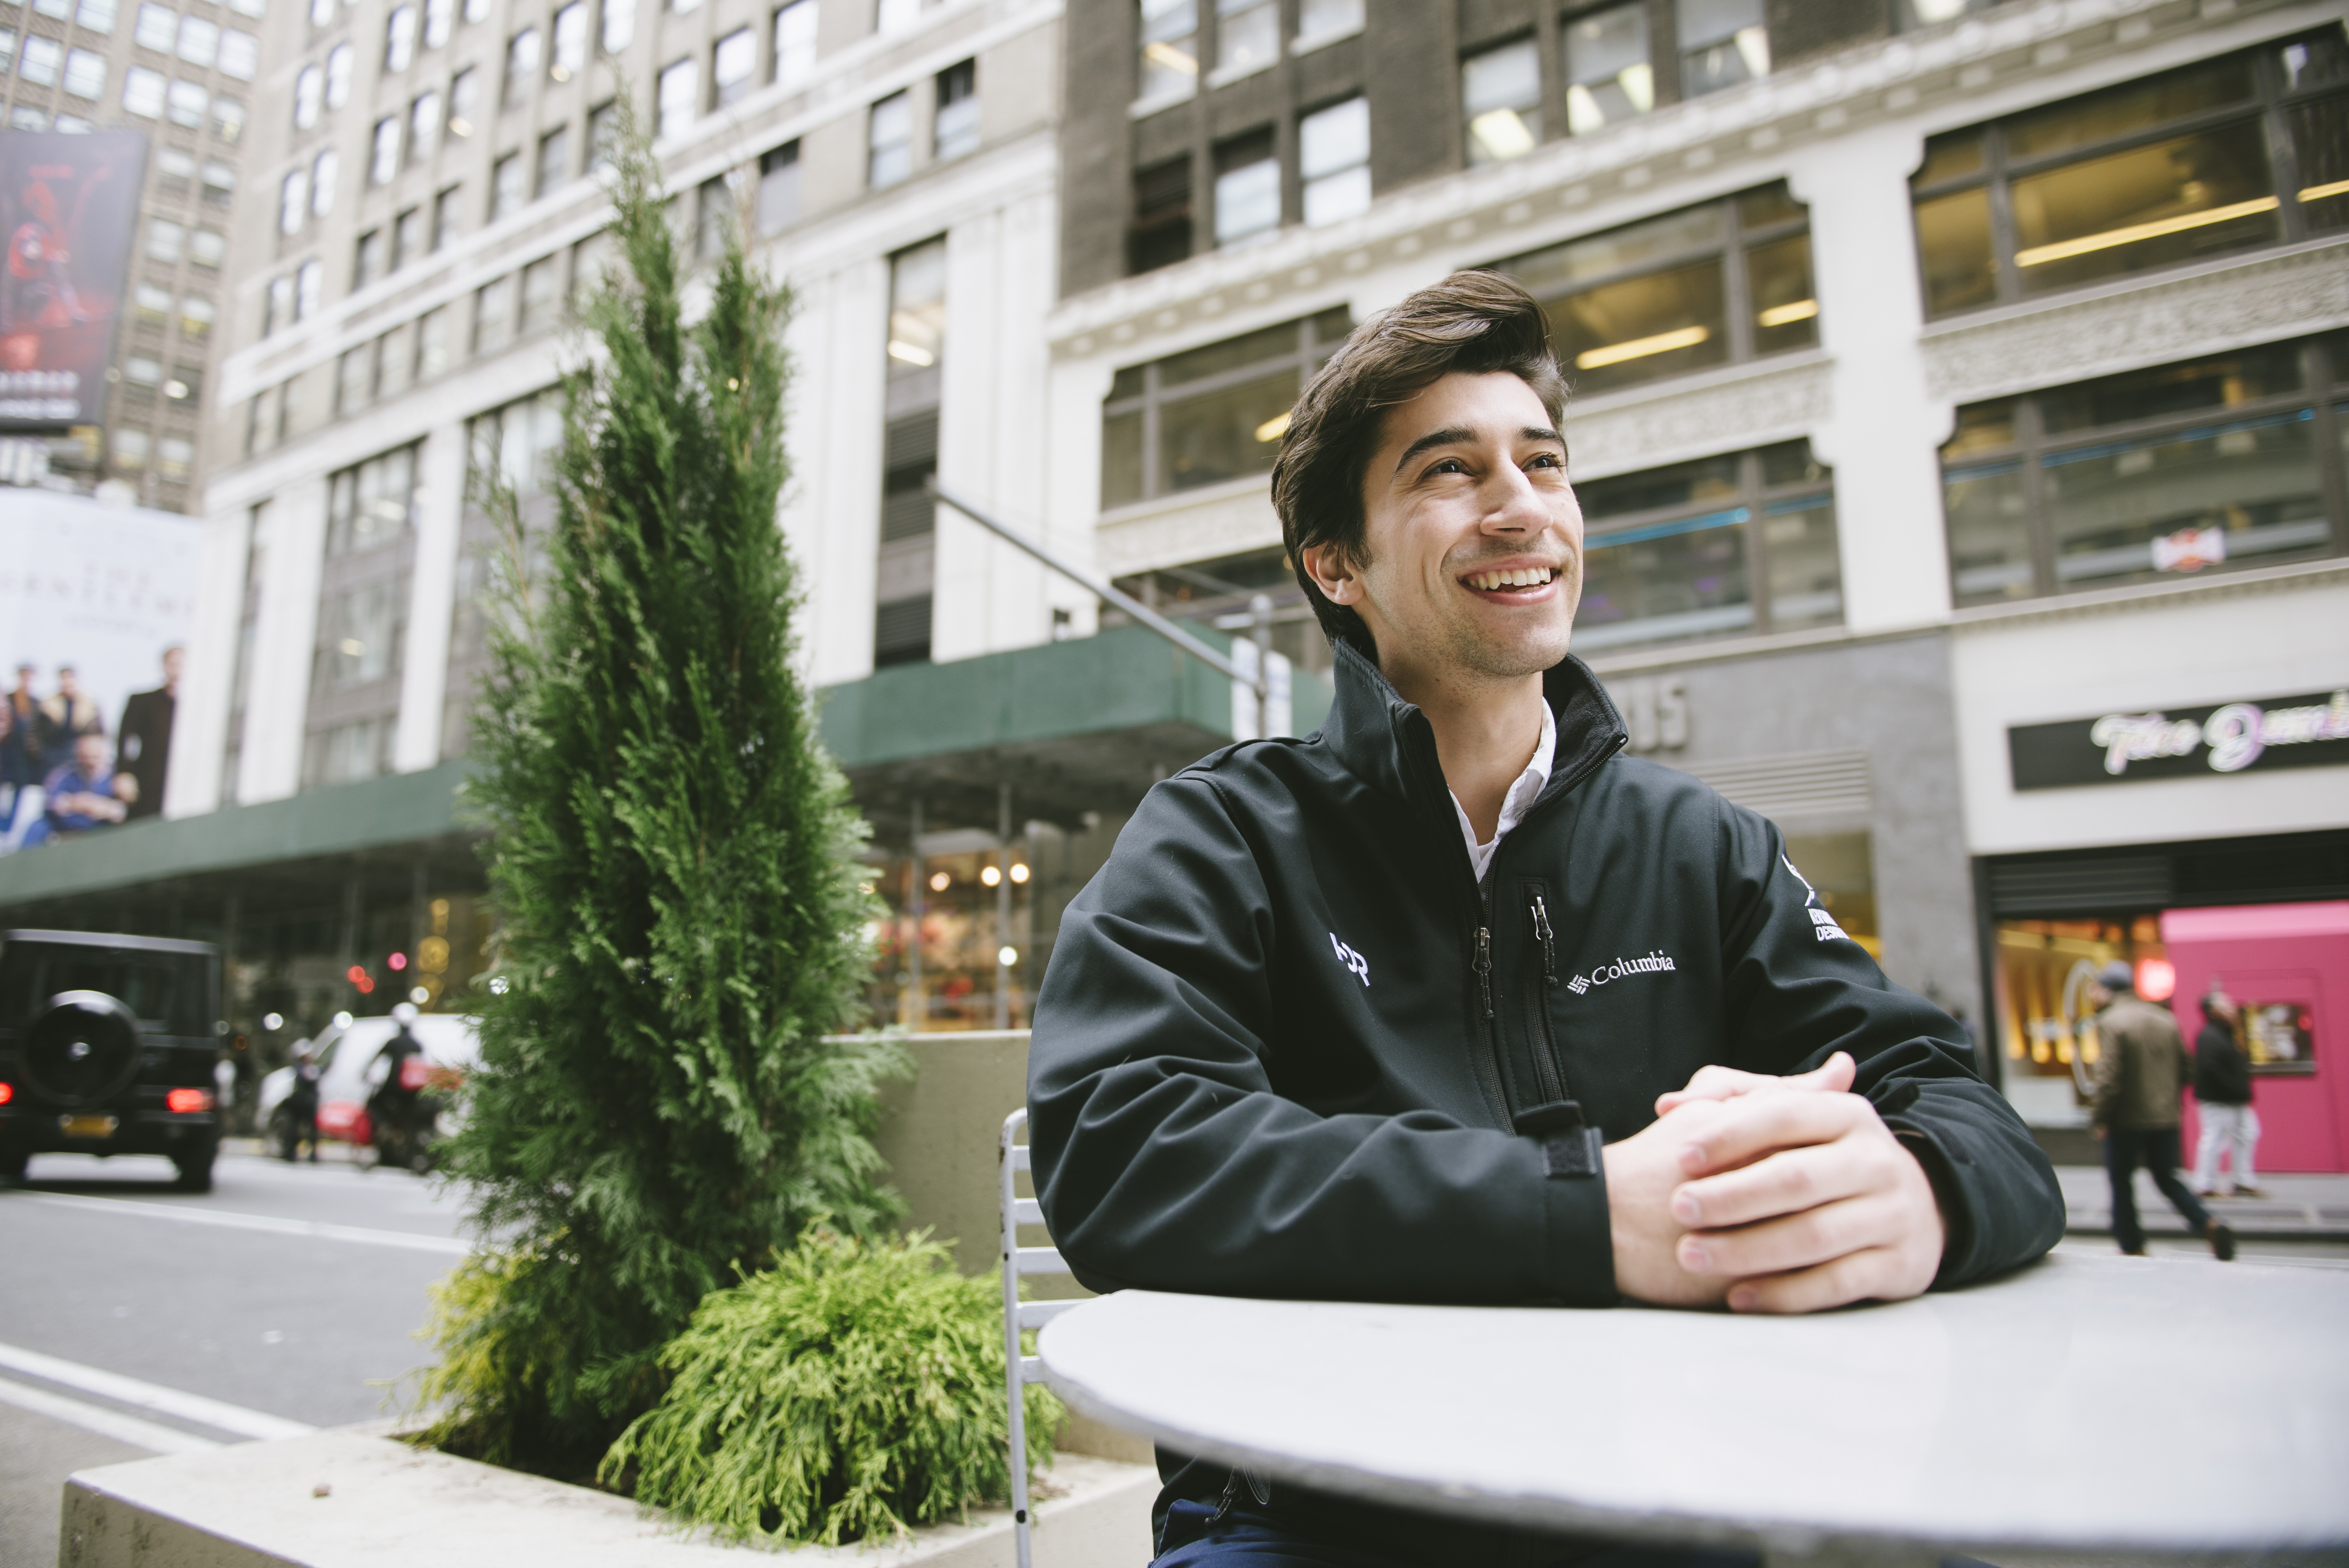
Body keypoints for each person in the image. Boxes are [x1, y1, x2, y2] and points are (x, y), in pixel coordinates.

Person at [1027, 272, 2067, 1568]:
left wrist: (1923, 1193)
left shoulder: (1704, 847)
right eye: (1449, 470)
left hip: (1664, 1502)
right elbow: (1127, 1149)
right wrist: (1587, 1209)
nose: (1520, 503)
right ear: (1334, 562)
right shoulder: (1221, 833)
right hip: (1306, 1517)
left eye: (1543, 462)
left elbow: (1960, 1104)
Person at [2088, 960, 2235, 1262]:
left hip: (2126, 1119)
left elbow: (2109, 1078)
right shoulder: (2165, 1018)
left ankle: (2132, 1244)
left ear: (2108, 991)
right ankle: (2208, 1223)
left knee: (2121, 1181)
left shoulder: (2111, 1022)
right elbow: (2187, 1068)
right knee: (2168, 1178)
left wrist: (2099, 1117)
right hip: (2167, 1117)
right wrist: (2169, 1102)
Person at [2190, 989, 2262, 1199]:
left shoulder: (2227, 1033)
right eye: (2225, 1005)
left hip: (2234, 1098)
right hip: (2219, 1099)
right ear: (2213, 1011)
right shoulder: (2210, 1036)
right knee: (2214, 1139)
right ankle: (2205, 1184)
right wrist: (2233, 1088)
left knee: (2248, 1133)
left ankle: (2243, 1180)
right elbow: (2210, 1068)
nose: (2231, 1007)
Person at [20, 731, 129, 845]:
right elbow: (52, 804)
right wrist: (84, 804)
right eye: (86, 757)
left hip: (101, 831)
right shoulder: (66, 775)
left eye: (95, 757)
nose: (91, 762)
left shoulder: (118, 778)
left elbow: (121, 812)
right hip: (67, 828)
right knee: (38, 826)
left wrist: (102, 807)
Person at [116, 645, 180, 821]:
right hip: (148, 782)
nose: (177, 670)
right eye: (173, 664)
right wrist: (124, 774)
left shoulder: (196, 708)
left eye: (182, 665)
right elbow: (125, 739)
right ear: (164, 666)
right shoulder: (143, 701)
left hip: (181, 783)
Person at [367, 1003, 426, 1168]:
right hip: (412, 1091)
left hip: (393, 1087)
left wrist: (366, 1073)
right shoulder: (417, 1045)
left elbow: (374, 1060)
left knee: (373, 1103)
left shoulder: (393, 1043)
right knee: (409, 1117)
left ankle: (383, 1127)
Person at [37, 664, 103, 776]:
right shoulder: (47, 705)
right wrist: (42, 754)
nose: (67, 682)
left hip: (80, 759)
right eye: (64, 678)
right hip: (52, 758)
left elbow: (99, 733)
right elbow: (36, 733)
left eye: (70, 678)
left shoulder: (90, 706)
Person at [280, 1043, 321, 1162]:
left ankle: (312, 1154)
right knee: (295, 1129)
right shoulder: (298, 1070)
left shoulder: (312, 1070)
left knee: (311, 1130)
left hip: (308, 1104)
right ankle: (291, 1152)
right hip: (299, 1103)